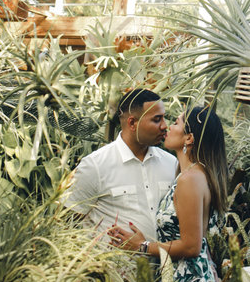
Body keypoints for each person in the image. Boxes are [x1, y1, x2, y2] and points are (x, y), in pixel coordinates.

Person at [108, 104, 229, 282]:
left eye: (176, 122)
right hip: (183, 281)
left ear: (189, 138)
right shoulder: (192, 174)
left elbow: (191, 246)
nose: (168, 127)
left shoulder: (190, 179)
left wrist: (142, 246)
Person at [64, 88, 177, 246]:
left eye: (164, 118)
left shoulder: (171, 163)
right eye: (157, 120)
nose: (165, 126)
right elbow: (66, 223)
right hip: (112, 260)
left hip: (165, 261)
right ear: (132, 123)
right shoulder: (95, 166)